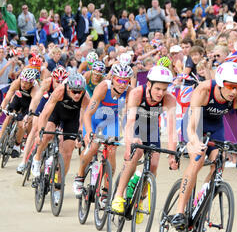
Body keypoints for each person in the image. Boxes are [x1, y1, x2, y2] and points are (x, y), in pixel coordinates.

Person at [171, 61, 237, 230]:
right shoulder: (203, 90)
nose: (234, 91)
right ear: (220, 83)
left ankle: (201, 201)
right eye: (230, 86)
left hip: (215, 126)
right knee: (198, 158)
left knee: (219, 160)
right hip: (196, 124)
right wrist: (195, 143)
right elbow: (191, 126)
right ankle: (179, 211)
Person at [111, 65, 178, 217]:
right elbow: (129, 123)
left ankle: (140, 200)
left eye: (164, 89)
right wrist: (129, 148)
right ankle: (118, 196)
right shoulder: (136, 93)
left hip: (153, 129)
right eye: (158, 89)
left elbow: (172, 130)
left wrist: (172, 155)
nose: (161, 93)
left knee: (154, 166)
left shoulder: (170, 99)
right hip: (135, 126)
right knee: (137, 151)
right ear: (149, 85)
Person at [73, 63, 134, 197]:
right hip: (94, 120)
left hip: (111, 122)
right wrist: (89, 132)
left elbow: (129, 116)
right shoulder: (102, 87)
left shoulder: (130, 91)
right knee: (93, 146)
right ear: (113, 78)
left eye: (126, 81)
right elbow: (87, 114)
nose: (123, 84)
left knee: (111, 150)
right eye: (119, 80)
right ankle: (80, 176)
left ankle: (105, 193)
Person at [31, 72, 90, 188]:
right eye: (74, 92)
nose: (77, 95)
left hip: (71, 119)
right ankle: (37, 159)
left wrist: (81, 133)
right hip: (56, 114)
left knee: (67, 153)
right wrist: (39, 132)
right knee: (47, 135)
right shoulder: (60, 91)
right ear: (68, 88)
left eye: (80, 92)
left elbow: (85, 116)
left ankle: (58, 183)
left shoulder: (85, 97)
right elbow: (45, 113)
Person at [16, 66, 69, 174]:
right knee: (35, 128)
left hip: (58, 107)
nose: (59, 84)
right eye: (57, 81)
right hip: (45, 103)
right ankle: (23, 161)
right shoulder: (47, 83)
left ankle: (50, 154)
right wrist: (30, 113)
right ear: (52, 78)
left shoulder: (67, 86)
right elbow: (36, 99)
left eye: (61, 82)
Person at [0, 68, 40, 158]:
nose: (23, 84)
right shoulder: (16, 83)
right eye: (22, 81)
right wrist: (1, 108)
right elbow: (7, 98)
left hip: (29, 104)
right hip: (18, 99)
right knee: (9, 116)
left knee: (22, 124)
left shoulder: (35, 89)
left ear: (32, 83)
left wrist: (28, 116)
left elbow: (33, 105)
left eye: (26, 83)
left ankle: (17, 145)